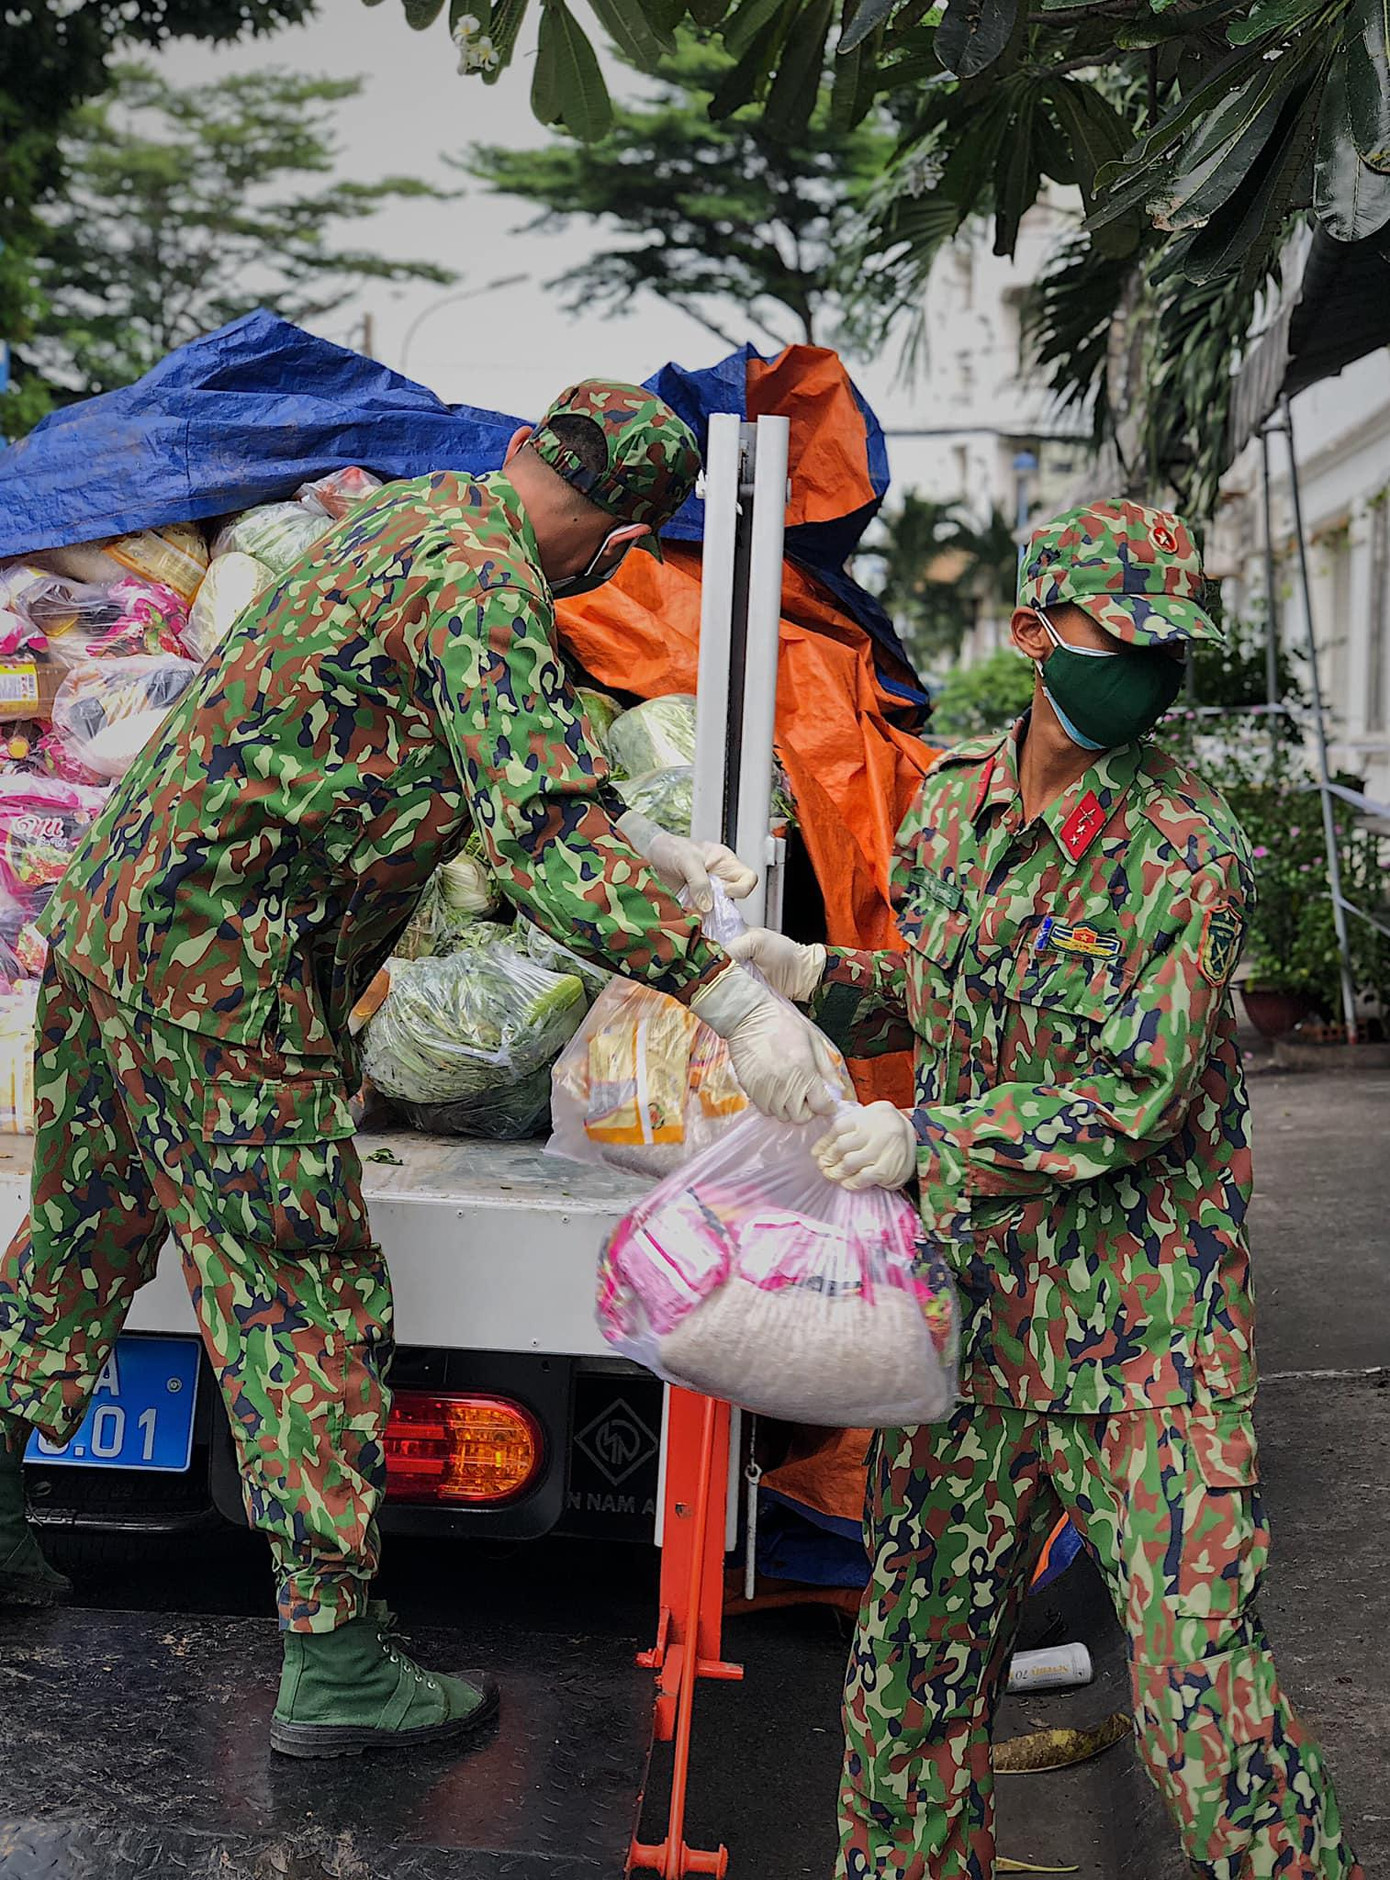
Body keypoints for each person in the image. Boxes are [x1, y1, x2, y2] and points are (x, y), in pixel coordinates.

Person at [0, 379, 839, 1759]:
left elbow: (511, 762)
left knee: (85, 1226)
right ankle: (336, 1666)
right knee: (298, 1292)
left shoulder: (408, 518)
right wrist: (725, 996)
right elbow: (533, 838)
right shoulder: (493, 587)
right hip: (224, 974)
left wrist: (654, 847)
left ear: (520, 452)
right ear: (619, 544)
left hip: (113, 928)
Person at [730, 501, 1363, 1878]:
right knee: (908, 1674)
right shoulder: (952, 807)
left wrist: (924, 1144)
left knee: (1204, 1701)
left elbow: (1136, 1090)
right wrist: (814, 977)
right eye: (1117, 641)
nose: (1145, 674)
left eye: (1166, 651)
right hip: (965, 1331)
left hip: (1144, 1344)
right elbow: (939, 998)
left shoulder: (1184, 848)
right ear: (1032, 636)